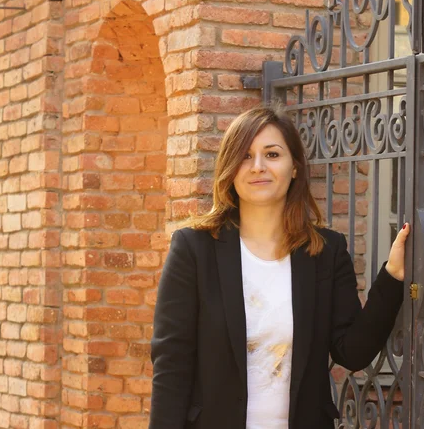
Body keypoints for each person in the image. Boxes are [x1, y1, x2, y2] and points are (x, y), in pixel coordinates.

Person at [149, 105, 410, 429]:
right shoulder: (194, 249)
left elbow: (352, 351)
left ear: (295, 167)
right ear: (229, 168)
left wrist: (393, 277)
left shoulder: (325, 252)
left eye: (272, 154)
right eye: (245, 156)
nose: (258, 166)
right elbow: (171, 367)